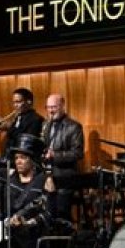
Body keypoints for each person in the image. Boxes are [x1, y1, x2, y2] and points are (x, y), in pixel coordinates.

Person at [41, 93, 84, 222]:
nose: (51, 111)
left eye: (54, 107)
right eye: (48, 107)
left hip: (64, 176)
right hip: (46, 174)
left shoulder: (74, 127)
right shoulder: (45, 125)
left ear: (63, 106)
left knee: (60, 214)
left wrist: (55, 155)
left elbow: (78, 153)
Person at [3, 88, 45, 153]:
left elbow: (26, 140)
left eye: (18, 102)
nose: (15, 105)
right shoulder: (19, 117)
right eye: (14, 102)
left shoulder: (36, 119)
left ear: (29, 102)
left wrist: (10, 128)